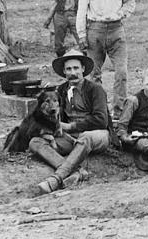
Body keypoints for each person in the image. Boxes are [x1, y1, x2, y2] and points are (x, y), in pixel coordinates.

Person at [30, 49, 111, 194]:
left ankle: (56, 178)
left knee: (86, 137)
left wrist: (70, 126)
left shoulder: (95, 90)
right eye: (68, 69)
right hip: (71, 137)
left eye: (76, 68)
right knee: (35, 142)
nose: (72, 72)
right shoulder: (61, 90)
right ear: (64, 72)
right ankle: (76, 172)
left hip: (97, 135)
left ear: (83, 69)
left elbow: (101, 120)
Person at [76, 0, 136, 117]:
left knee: (122, 72)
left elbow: (130, 2)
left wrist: (121, 13)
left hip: (117, 30)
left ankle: (119, 111)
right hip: (95, 30)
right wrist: (81, 35)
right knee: (93, 74)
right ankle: (99, 111)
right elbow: (81, 10)